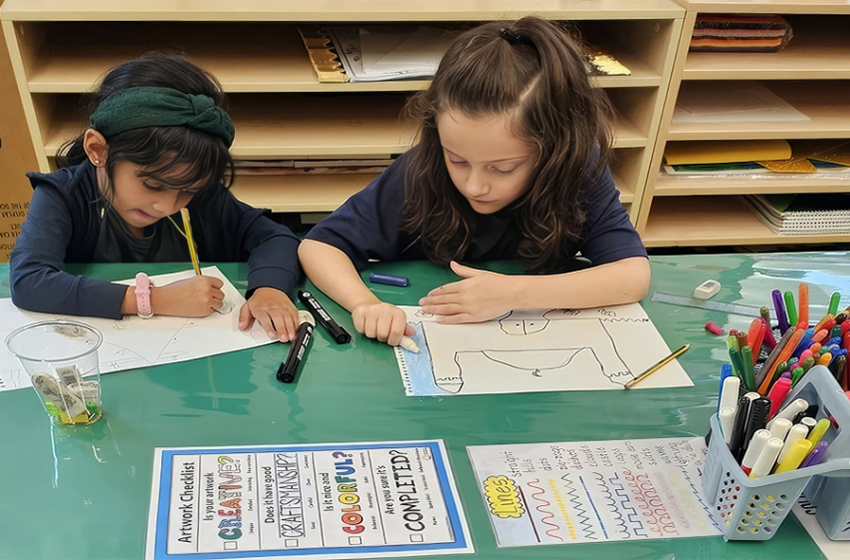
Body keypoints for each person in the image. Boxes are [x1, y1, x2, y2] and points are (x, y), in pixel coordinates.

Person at [298, 17, 650, 348]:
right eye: (458, 160)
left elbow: (632, 276)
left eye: (502, 168)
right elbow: (319, 247)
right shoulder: (421, 168)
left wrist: (516, 294)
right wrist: (364, 304)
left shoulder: (578, 169)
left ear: (555, 150)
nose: (474, 186)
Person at [10, 53, 303, 342]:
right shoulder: (62, 195)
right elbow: (29, 282)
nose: (167, 206)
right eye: (152, 183)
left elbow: (275, 238)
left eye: (188, 189)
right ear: (98, 150)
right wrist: (153, 300)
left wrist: (269, 290)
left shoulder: (202, 195)